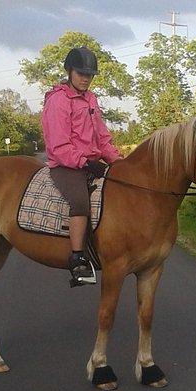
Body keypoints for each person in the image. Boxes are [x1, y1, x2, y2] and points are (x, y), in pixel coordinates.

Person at [41, 46, 121, 285]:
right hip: (67, 166)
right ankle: (77, 260)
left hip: (91, 163)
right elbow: (58, 145)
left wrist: (118, 162)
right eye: (81, 73)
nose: (85, 78)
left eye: (90, 74)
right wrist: (85, 162)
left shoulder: (91, 99)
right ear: (69, 71)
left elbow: (102, 136)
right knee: (80, 201)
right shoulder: (58, 101)